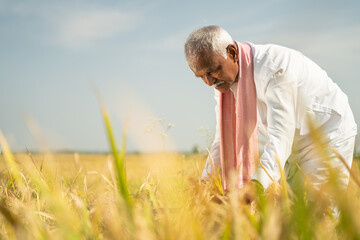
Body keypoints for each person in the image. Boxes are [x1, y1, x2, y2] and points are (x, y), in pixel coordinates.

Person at [184, 25, 357, 196]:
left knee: (319, 212)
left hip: (327, 135)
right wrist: (204, 184)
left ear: (232, 53)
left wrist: (255, 186)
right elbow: (221, 140)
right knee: (292, 213)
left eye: (213, 71)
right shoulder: (223, 86)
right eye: (201, 77)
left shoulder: (274, 69)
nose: (209, 82)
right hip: (292, 145)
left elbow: (281, 135)